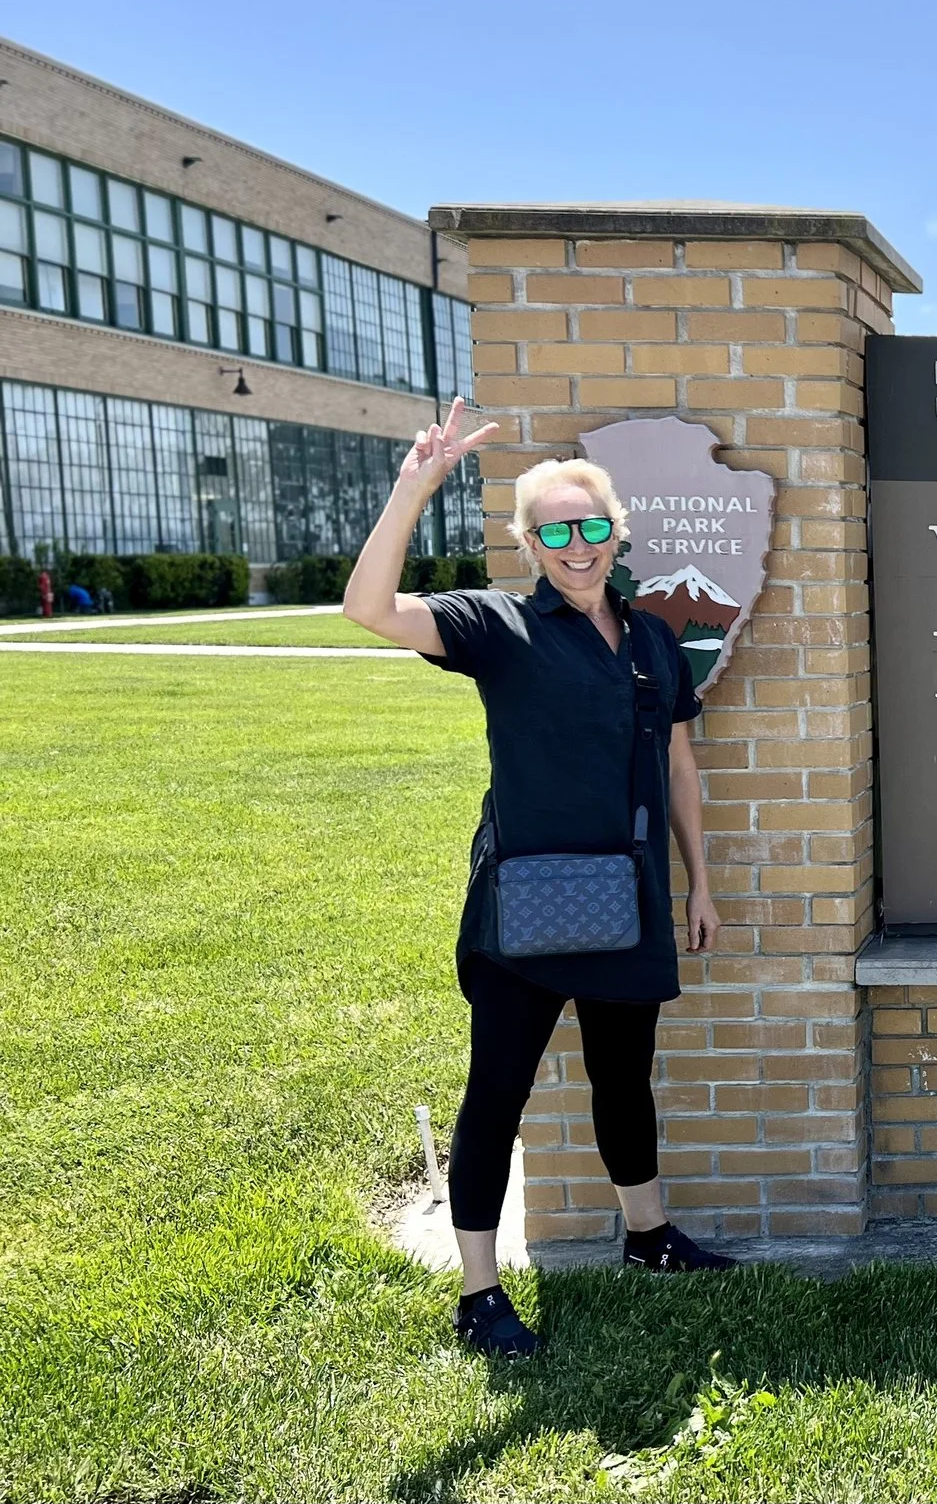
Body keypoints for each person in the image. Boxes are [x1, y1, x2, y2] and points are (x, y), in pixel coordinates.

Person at [345, 398, 735, 1360]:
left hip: (628, 898)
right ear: (528, 540)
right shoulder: (495, 626)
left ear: (617, 533)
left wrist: (700, 881)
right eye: (555, 528)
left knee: (622, 1080)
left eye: (593, 524)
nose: (577, 543)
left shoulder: (652, 640)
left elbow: (679, 764)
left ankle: (646, 1238)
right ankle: (479, 1294)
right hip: (523, 908)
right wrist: (414, 487)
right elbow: (368, 609)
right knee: (498, 1093)